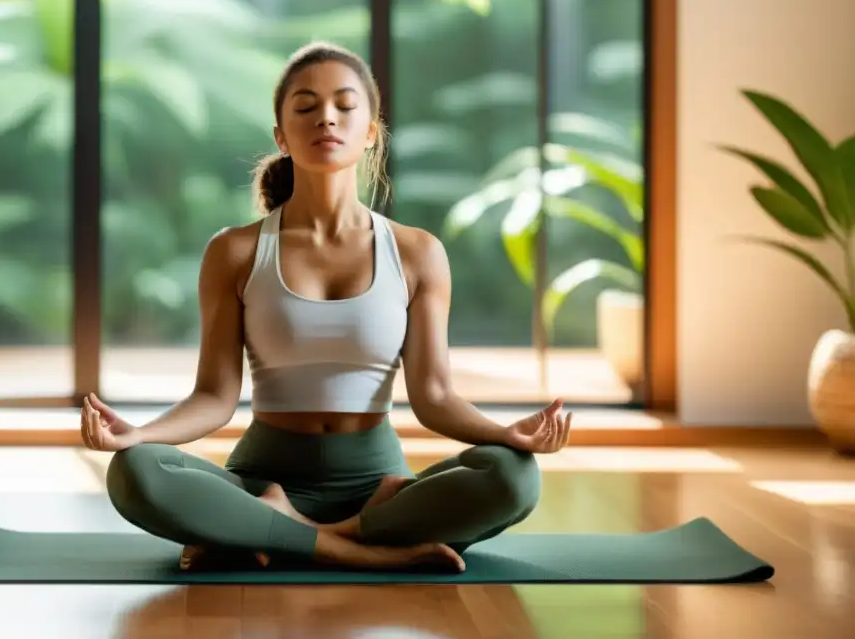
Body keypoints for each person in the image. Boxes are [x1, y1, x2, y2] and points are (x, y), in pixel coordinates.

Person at [80, 41, 573, 573]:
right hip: (261, 481)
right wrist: (137, 435)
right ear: (281, 136)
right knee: (135, 471)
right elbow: (214, 397)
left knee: (515, 476)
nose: (326, 119)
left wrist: (506, 435)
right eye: (306, 107)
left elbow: (432, 396)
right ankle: (349, 549)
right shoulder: (236, 251)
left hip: (379, 489)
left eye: (344, 105)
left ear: (370, 133)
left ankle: (276, 533)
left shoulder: (417, 253)